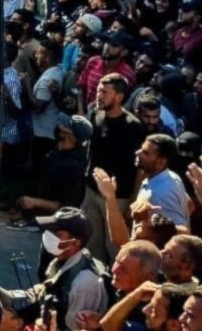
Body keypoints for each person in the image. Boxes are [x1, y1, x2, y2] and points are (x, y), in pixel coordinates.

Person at [0, 208, 110, 331]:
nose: (50, 235)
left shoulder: (84, 284)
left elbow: (75, 328)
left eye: (57, 234)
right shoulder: (63, 257)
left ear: (75, 243)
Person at [82, 75, 147, 263]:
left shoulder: (132, 127)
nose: (98, 95)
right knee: (91, 244)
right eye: (98, 91)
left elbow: (139, 168)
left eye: (104, 92)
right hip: (91, 191)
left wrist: (134, 200)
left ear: (119, 97)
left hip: (117, 198)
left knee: (115, 248)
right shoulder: (96, 114)